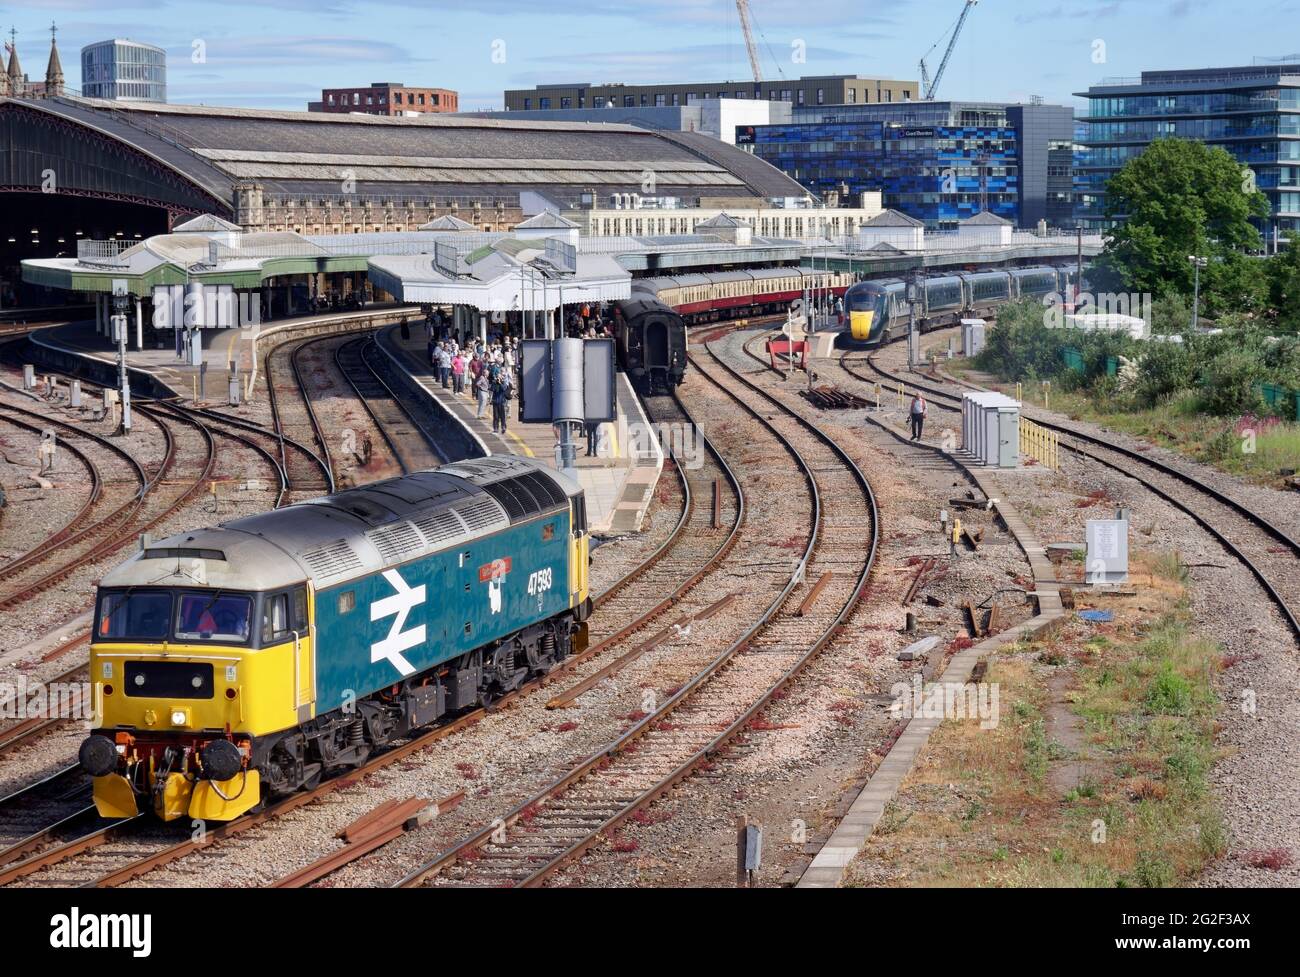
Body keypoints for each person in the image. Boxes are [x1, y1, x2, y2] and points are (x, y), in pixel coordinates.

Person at [491, 366, 511, 435]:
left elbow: (504, 389)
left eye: (499, 377)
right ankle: (495, 428)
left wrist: (500, 383)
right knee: (496, 416)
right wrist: (495, 382)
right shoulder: (494, 383)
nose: (498, 379)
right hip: (495, 401)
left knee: (503, 416)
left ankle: (503, 427)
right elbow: (492, 389)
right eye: (497, 377)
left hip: (502, 402)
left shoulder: (504, 383)